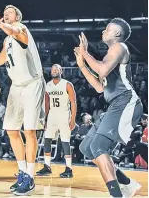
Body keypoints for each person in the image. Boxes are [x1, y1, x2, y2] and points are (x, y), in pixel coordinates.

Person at [74, 18, 143, 198]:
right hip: (116, 103)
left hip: (126, 102)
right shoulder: (110, 54)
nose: (103, 31)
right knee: (87, 147)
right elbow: (99, 87)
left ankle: (116, 195)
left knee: (98, 146)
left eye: (108, 28)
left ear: (117, 34)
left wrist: (86, 53)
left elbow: (102, 70)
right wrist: (81, 63)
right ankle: (127, 184)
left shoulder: (119, 47)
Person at [0, 5, 45, 195]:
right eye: (4, 12)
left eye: (10, 12)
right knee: (12, 130)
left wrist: (1, 25)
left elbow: (16, 32)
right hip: (16, 86)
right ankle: (22, 171)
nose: (6, 14)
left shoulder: (22, 29)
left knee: (29, 130)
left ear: (17, 16)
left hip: (32, 83)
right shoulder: (7, 40)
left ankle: (30, 176)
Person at [36, 64, 77, 178]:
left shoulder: (67, 84)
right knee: (47, 140)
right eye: (53, 70)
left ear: (61, 71)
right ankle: (47, 166)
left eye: (56, 69)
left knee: (65, 142)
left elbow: (73, 102)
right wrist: (45, 118)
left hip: (64, 115)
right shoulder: (48, 85)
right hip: (52, 115)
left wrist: (73, 119)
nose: (54, 71)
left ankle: (69, 169)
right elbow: (47, 103)